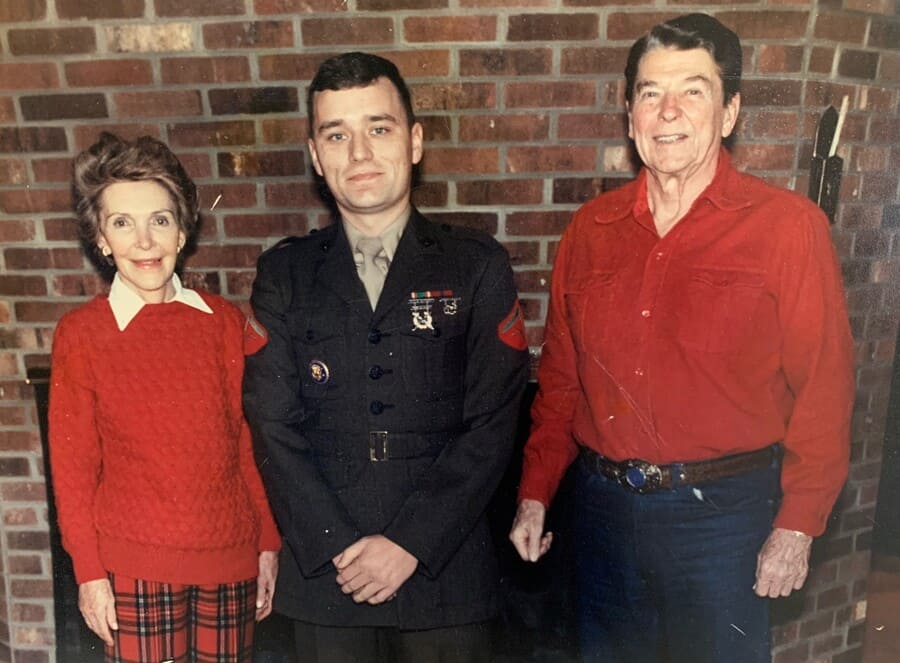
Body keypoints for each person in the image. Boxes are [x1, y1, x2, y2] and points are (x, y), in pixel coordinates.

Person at [509, 13, 854, 663]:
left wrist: (798, 524)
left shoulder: (789, 229)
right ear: (630, 111)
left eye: (693, 90)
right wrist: (535, 493)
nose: (668, 111)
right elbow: (560, 382)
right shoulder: (590, 231)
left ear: (729, 113)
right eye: (649, 92)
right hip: (605, 516)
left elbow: (826, 390)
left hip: (726, 522)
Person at [242, 52, 530, 663]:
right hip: (329, 572)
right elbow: (271, 422)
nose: (360, 153)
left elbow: (493, 420)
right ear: (317, 158)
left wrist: (409, 543)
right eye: (336, 135)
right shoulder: (285, 274)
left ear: (416, 140)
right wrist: (339, 544)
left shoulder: (476, 265)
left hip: (442, 570)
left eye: (379, 128)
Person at [49, 132, 281, 663]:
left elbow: (244, 443)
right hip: (132, 571)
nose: (145, 241)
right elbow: (74, 468)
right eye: (122, 223)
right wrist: (89, 574)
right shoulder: (82, 334)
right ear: (101, 239)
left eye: (160, 219)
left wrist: (267, 543)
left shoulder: (223, 323)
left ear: (182, 229)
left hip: (230, 563)